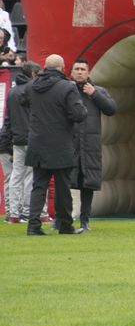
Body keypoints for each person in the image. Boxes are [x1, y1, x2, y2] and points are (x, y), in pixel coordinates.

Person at [25, 54, 87, 235]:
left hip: (37, 141)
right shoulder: (67, 87)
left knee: (38, 186)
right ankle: (65, 225)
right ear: (63, 67)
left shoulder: (32, 86)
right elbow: (79, 114)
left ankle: (33, 226)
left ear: (45, 66)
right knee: (62, 187)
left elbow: (22, 101)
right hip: (61, 143)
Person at [69, 58, 116, 231]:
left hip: (90, 144)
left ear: (88, 72)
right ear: (71, 73)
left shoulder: (98, 91)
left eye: (83, 69)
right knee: (66, 181)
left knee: (87, 184)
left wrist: (94, 94)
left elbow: (111, 109)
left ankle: (85, 220)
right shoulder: (66, 90)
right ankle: (61, 219)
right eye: (77, 69)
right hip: (70, 144)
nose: (80, 72)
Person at [4, 61, 41, 224]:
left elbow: (8, 120)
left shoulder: (12, 92)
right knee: (30, 176)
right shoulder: (33, 91)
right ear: (33, 74)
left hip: (17, 140)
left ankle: (13, 213)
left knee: (16, 176)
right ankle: (27, 211)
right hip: (32, 138)